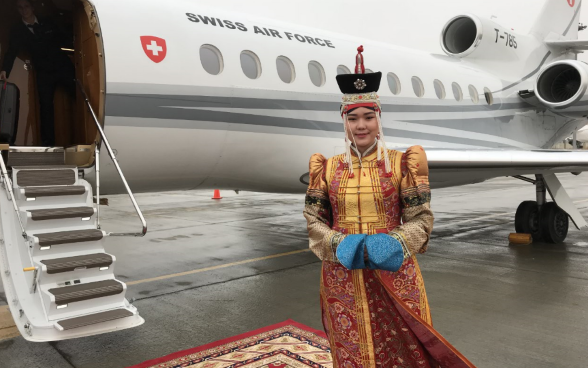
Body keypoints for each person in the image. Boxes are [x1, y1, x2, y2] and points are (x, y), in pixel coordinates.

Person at [303, 46, 476, 367]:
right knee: (350, 346)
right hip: (343, 274)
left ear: (378, 119)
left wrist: (394, 242)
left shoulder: (402, 164)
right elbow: (314, 223)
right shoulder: (326, 168)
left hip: (394, 271)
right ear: (344, 122)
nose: (361, 125)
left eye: (368, 117)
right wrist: (338, 243)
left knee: (403, 345)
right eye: (353, 118)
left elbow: (421, 219)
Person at [0, 0, 75, 146]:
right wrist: (4, 70)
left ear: (32, 8)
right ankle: (49, 144)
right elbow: (11, 51)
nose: (24, 10)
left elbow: (63, 36)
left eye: (26, 6)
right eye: (20, 7)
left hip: (62, 66)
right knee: (45, 106)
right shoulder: (17, 30)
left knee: (78, 95)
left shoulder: (47, 21)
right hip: (43, 72)